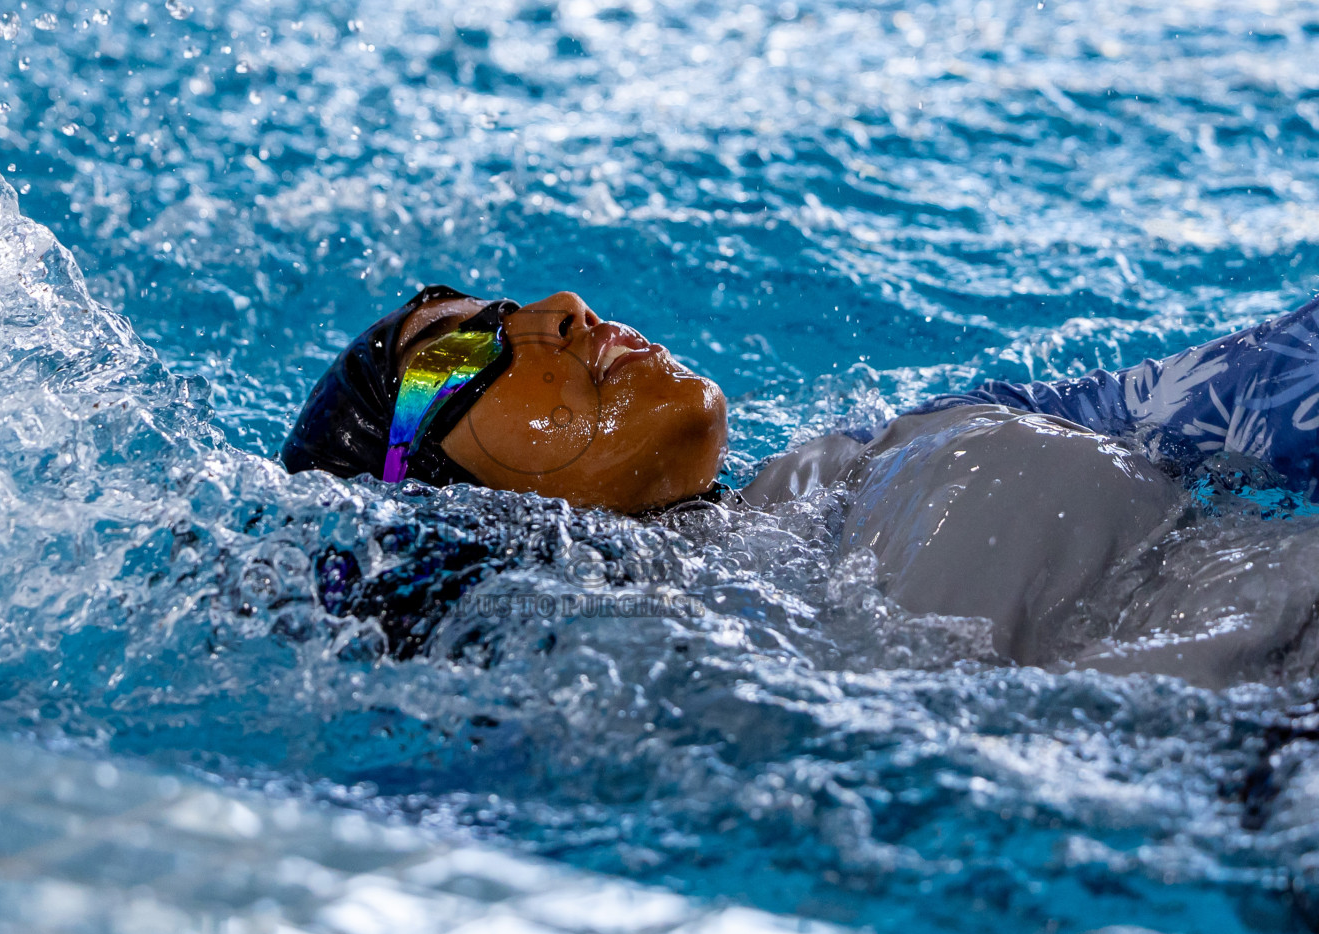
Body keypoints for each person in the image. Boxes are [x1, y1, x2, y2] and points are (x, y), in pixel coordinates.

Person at [283, 284, 1319, 677]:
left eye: (505, 303)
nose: (560, 308)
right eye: (456, 355)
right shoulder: (668, 672)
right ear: (430, 506)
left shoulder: (819, 485)